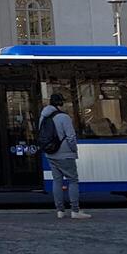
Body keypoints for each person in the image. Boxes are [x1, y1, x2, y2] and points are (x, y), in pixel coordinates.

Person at [39, 91, 89, 219]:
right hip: (65, 154)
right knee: (73, 180)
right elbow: (71, 137)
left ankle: (60, 210)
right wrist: (74, 150)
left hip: (51, 153)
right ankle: (75, 210)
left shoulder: (43, 116)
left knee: (57, 181)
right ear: (61, 103)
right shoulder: (64, 117)